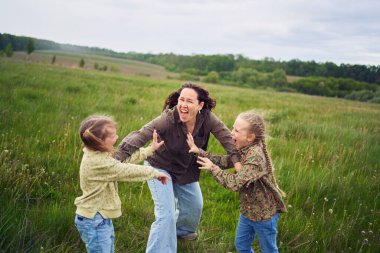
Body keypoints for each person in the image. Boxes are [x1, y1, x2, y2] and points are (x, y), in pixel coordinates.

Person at [115, 82, 242, 253]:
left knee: (195, 205)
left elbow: (227, 138)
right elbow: (141, 135)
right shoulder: (168, 118)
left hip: (186, 168)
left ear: (200, 105)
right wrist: (115, 160)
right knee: (166, 214)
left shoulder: (208, 119)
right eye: (181, 100)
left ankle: (179, 232)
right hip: (159, 166)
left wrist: (237, 161)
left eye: (190, 101)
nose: (183, 105)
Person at [188, 111, 287, 253]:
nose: (231, 133)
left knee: (269, 250)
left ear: (250, 137)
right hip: (247, 212)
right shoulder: (244, 149)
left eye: (236, 130)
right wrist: (199, 151)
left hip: (264, 216)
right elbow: (226, 161)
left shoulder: (255, 158)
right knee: (242, 245)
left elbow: (234, 183)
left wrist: (212, 168)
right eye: (232, 127)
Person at [74, 115, 170, 253]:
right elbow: (125, 170)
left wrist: (149, 150)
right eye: (112, 136)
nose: (117, 137)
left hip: (99, 217)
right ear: (99, 141)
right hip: (94, 219)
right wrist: (153, 172)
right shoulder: (98, 162)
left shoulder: (97, 153)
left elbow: (121, 161)